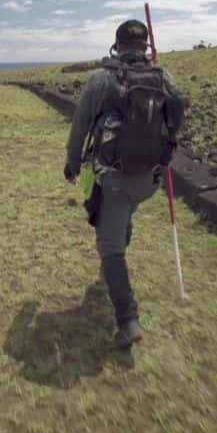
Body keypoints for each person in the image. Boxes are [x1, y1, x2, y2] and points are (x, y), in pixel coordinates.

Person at [63, 19, 185, 349]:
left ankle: (127, 321)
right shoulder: (164, 78)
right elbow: (177, 119)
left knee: (110, 247)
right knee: (123, 211)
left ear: (116, 46)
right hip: (150, 180)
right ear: (145, 47)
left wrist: (72, 163)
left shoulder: (101, 79)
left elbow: (80, 126)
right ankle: (119, 236)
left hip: (115, 179)